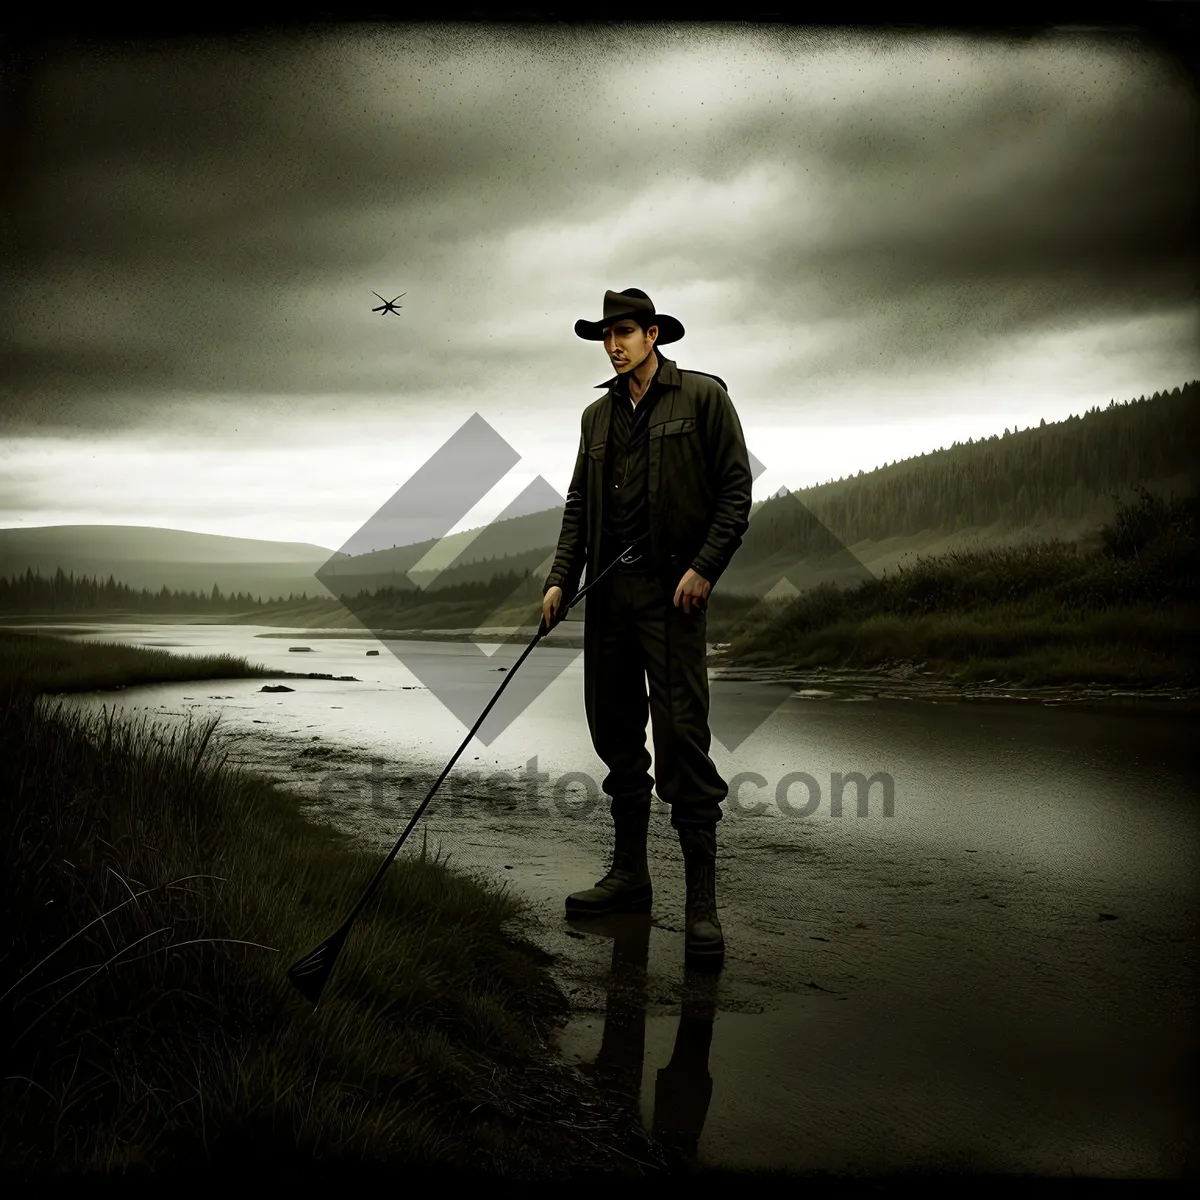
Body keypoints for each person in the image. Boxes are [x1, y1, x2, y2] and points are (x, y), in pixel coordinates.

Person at [542, 288, 753, 963]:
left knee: (684, 743)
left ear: (653, 333)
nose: (613, 344)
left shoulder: (703, 398)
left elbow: (735, 491)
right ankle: (631, 878)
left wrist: (704, 568)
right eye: (606, 335)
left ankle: (701, 908)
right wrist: (558, 579)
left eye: (624, 332)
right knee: (615, 735)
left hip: (673, 599)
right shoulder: (594, 417)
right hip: (607, 600)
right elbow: (578, 503)